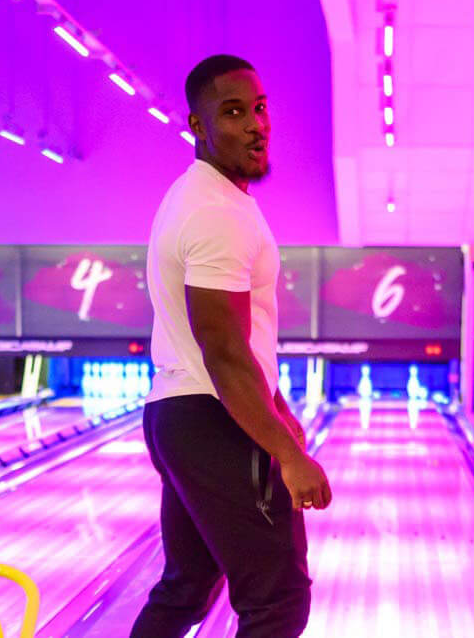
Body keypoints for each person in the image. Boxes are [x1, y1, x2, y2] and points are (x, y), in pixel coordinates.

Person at [131, 54, 331, 638]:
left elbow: (237, 343)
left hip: (179, 414)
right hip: (215, 420)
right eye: (234, 112)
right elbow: (220, 348)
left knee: (187, 587)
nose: (255, 125)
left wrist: (279, 410)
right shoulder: (217, 212)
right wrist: (288, 456)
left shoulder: (204, 197)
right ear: (198, 125)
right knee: (278, 600)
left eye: (261, 109)